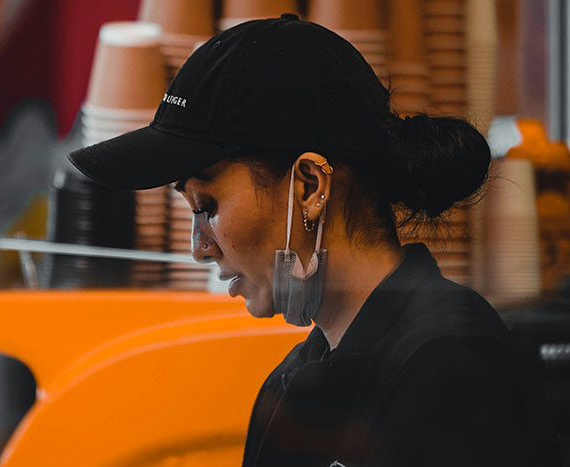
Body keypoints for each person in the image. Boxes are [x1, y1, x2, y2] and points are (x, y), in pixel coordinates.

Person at [69, 14, 563, 467]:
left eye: (207, 207)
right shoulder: (298, 379)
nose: (199, 246)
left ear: (310, 186)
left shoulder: (451, 365)